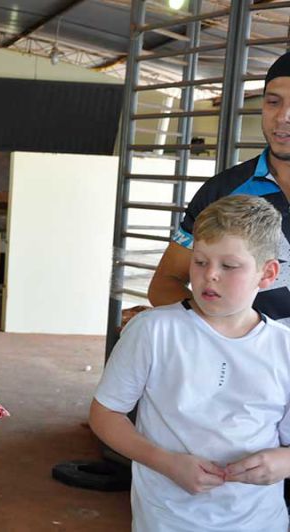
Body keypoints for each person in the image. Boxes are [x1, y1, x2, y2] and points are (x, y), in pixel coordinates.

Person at [91, 195, 290, 531]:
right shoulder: (153, 331)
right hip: (168, 520)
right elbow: (105, 414)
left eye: (229, 266)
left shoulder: (284, 348)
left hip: (260, 522)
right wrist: (165, 462)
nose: (210, 275)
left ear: (267, 273)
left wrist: (284, 463)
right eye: (199, 262)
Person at [149, 51, 290, 326]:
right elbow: (165, 284)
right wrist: (229, 334)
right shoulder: (223, 192)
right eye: (273, 102)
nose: (283, 116)